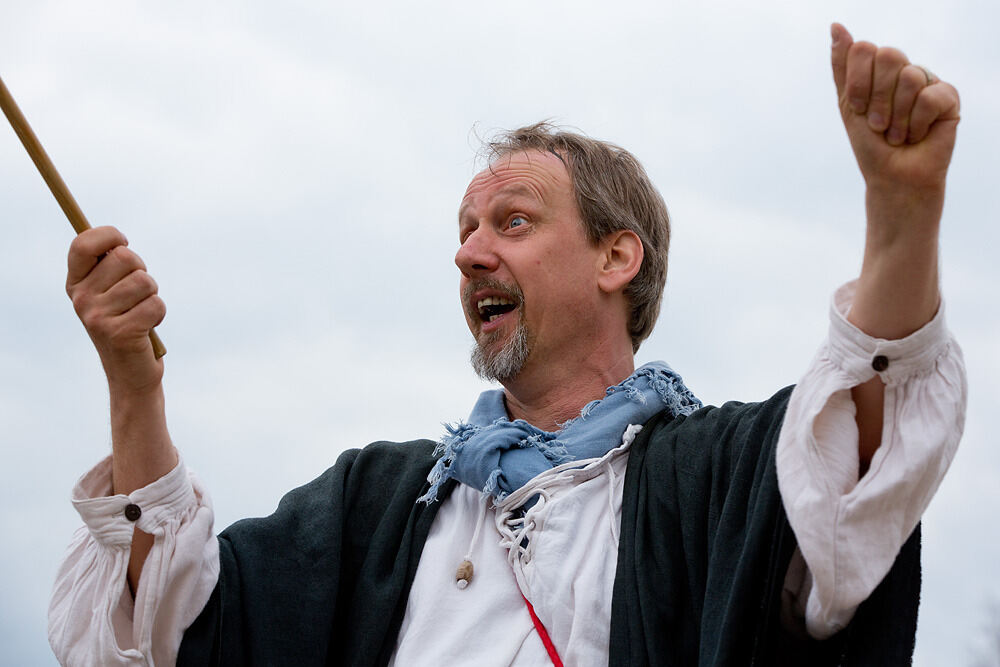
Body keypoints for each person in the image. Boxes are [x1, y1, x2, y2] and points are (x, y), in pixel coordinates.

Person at [49, 24, 966, 666]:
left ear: (617, 256)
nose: (468, 251)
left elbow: (861, 469)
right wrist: (135, 385)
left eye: (513, 221)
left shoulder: (713, 474)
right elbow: (177, 628)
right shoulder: (375, 502)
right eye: (465, 228)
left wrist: (902, 221)